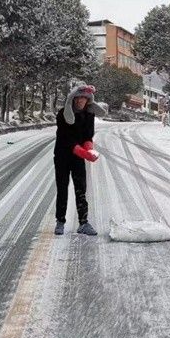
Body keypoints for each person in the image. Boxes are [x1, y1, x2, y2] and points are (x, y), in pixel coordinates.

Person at [54, 84, 101, 236]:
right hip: (62, 155)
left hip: (78, 157)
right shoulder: (63, 114)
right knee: (62, 188)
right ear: (74, 98)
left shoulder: (88, 115)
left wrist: (89, 148)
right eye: (80, 98)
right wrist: (82, 152)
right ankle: (60, 221)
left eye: (85, 99)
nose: (82, 101)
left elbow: (88, 135)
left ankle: (83, 223)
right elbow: (66, 139)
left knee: (81, 188)